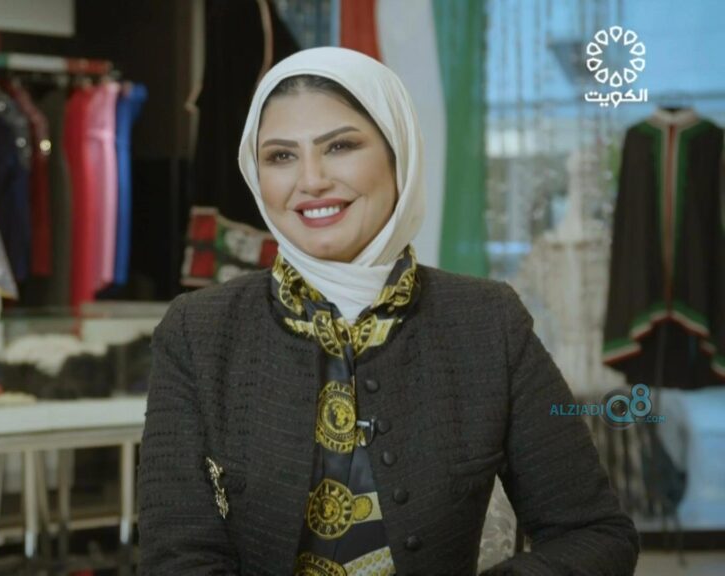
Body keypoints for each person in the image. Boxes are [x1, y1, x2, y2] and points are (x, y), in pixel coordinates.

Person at [138, 47, 638, 575]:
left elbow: (595, 535)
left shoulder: (488, 322)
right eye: (281, 156)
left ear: (399, 154)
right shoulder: (199, 331)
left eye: (340, 146)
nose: (311, 180)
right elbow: (178, 559)